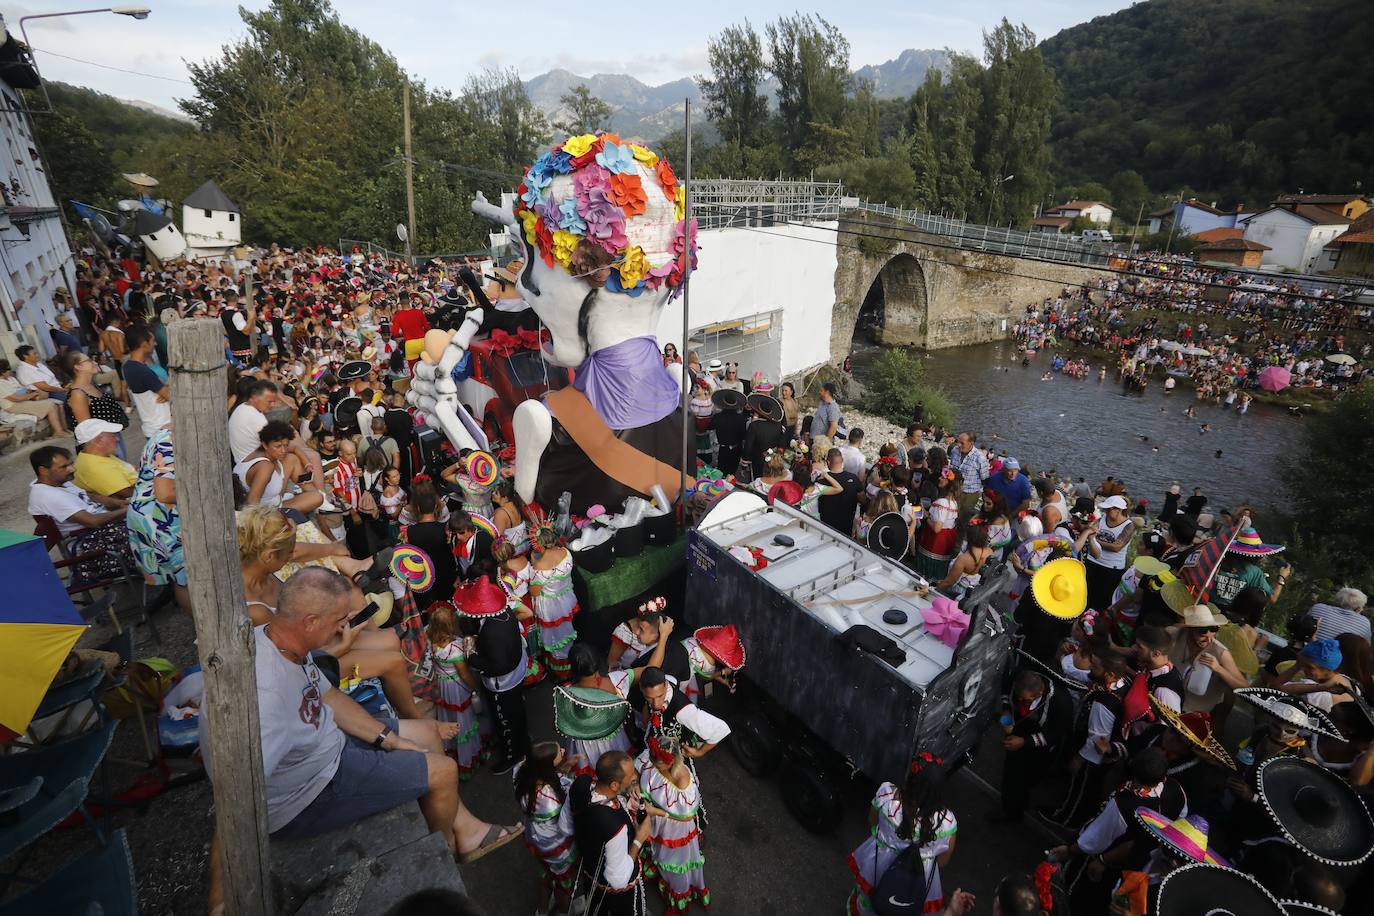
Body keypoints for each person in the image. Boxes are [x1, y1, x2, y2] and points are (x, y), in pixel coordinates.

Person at [202, 568, 521, 916]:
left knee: (426, 732)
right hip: (314, 789)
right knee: (443, 772)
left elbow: (330, 700)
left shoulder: (279, 639)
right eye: (339, 620)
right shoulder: (265, 700)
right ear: (310, 620)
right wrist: (220, 898)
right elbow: (233, 798)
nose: (344, 629)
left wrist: (389, 740)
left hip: (327, 743)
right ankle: (439, 850)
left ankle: (467, 829)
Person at [236, 505, 423, 719]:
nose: (291, 556)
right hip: (302, 669)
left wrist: (334, 623)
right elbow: (288, 669)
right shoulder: (254, 610)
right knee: (393, 661)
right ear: (269, 556)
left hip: (309, 645)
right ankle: (415, 721)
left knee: (391, 641)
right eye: (288, 552)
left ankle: (403, 705)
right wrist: (343, 645)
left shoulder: (263, 574)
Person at [845, 753, 957, 915]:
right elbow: (942, 861)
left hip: (879, 865)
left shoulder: (888, 797)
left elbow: (872, 821)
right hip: (918, 876)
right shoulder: (947, 822)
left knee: (871, 902)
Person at [459, 569, 531, 774]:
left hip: (503, 683)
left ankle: (513, 755)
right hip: (515, 675)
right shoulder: (503, 612)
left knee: (505, 720)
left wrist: (472, 656)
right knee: (517, 712)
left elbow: (498, 666)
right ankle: (522, 741)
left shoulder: (492, 632)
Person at [569, 750, 656, 916]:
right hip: (615, 890)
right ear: (614, 785)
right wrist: (639, 839)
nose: (635, 778)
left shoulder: (580, 783)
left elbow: (566, 826)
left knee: (596, 908)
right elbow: (618, 879)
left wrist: (625, 801)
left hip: (591, 871)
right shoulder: (616, 827)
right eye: (631, 776)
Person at [126, 426, 192, 613]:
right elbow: (165, 493)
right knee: (186, 578)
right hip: (159, 518)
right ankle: (205, 632)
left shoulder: (169, 432)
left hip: (159, 515)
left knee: (185, 577)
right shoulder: (168, 441)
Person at [640, 732, 710, 911]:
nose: (653, 765)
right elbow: (638, 771)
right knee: (657, 851)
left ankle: (680, 901)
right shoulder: (653, 760)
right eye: (653, 759)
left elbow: (686, 816)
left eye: (658, 763)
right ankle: (657, 868)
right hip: (657, 821)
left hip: (675, 830)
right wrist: (634, 787)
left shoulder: (682, 780)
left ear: (671, 761)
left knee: (675, 864)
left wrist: (658, 812)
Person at [995, 666, 1073, 824]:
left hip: (1040, 748)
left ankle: (1012, 815)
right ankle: (1012, 807)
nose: (1022, 702)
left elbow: (1054, 734)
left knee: (1022, 780)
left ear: (1039, 693)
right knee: (1011, 775)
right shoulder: (1018, 676)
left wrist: (1024, 742)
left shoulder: (1061, 702)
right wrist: (1005, 710)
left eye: (1026, 700)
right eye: (1020, 698)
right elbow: (1005, 692)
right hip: (1019, 733)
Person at [514, 741, 580, 916]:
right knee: (565, 885)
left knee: (545, 872)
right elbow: (567, 827)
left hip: (535, 838)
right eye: (560, 752)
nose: (564, 750)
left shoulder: (520, 771)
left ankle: (541, 911)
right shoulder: (550, 798)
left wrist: (564, 766)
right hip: (557, 847)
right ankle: (564, 912)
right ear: (548, 766)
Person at [635, 666, 730, 759]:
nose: (656, 704)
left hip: (672, 759)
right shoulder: (661, 681)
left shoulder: (683, 711)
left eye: (660, 696)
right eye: (649, 698)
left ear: (666, 685)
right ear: (641, 688)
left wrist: (699, 752)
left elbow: (719, 729)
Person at [1171, 604, 1248, 713]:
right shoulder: (1176, 634)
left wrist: (1219, 669)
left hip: (1194, 712)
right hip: (1168, 700)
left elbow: (1244, 687)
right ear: (1191, 629)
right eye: (1202, 632)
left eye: (1213, 629)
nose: (1209, 639)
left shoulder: (1220, 652)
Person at [235, 420, 325, 513]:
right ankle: (320, 500)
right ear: (265, 445)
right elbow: (252, 503)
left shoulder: (261, 451)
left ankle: (319, 497)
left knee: (291, 458)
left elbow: (294, 448)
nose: (283, 450)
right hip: (267, 511)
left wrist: (307, 464)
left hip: (274, 499)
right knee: (317, 498)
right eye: (278, 446)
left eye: (285, 445)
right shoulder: (265, 466)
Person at [531, 524, 580, 681]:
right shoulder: (565, 552)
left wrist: (532, 567)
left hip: (551, 606)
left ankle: (562, 672)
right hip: (566, 599)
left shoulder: (540, 565)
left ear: (538, 544)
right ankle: (569, 664)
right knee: (566, 632)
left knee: (555, 638)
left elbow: (535, 591)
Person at [401, 480, 459, 613]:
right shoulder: (445, 529)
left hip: (422, 576)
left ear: (419, 509)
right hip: (443, 573)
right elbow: (450, 554)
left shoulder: (409, 531)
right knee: (445, 606)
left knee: (425, 607)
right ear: (435, 508)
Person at [61, 351, 129, 457]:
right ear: (78, 367)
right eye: (89, 361)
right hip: (102, 444)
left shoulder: (91, 386)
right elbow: (87, 430)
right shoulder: (78, 394)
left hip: (112, 436)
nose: (94, 362)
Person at [1083, 495, 1134, 611]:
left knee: (1103, 600)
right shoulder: (1103, 518)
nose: (1106, 511)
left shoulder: (1128, 526)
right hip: (1092, 561)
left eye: (1109, 509)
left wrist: (1094, 539)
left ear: (1118, 510)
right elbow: (1090, 529)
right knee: (1085, 594)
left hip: (1112, 567)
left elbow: (1117, 547)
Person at [124, 325, 172, 438]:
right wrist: (167, 391)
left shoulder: (129, 366)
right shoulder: (141, 370)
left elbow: (163, 389)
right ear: (144, 344)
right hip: (162, 428)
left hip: (153, 427)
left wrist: (165, 389)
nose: (155, 344)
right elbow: (170, 395)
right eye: (152, 341)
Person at [0, 358, 67, 436]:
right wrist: (32, 395)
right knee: (51, 405)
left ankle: (64, 429)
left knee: (58, 402)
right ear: (2, 371)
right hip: (13, 406)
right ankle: (59, 432)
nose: (10, 371)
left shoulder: (11, 379)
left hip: (23, 400)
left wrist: (31, 391)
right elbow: (15, 398)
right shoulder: (1, 384)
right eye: (8, 369)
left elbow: (23, 389)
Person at [915, 469, 962, 581]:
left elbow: (937, 528)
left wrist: (926, 517)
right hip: (946, 542)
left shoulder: (941, 503)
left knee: (926, 573)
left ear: (949, 482)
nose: (939, 479)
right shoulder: (954, 502)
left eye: (943, 477)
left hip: (934, 542)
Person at [73, 419, 135, 499]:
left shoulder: (99, 455)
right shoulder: (95, 466)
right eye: (113, 435)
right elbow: (125, 493)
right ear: (99, 441)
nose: (117, 439)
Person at [815, 448, 861, 537]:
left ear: (828, 462)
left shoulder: (821, 481)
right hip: (846, 525)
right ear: (842, 460)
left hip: (827, 525)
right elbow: (862, 498)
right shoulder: (853, 478)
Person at [1307, 587, 1371, 643]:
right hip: (1338, 656)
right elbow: (1365, 646)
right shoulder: (1365, 623)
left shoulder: (1318, 607)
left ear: (1337, 599)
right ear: (1358, 608)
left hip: (1306, 653)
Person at [950, 433, 989, 524]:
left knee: (962, 518)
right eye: (958, 442)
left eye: (962, 443)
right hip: (954, 489)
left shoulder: (979, 457)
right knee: (950, 515)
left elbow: (985, 477)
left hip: (969, 493)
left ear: (971, 443)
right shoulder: (955, 450)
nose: (958, 445)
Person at [492, 480, 530, 557]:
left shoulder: (500, 513)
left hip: (511, 551)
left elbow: (498, 539)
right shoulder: (517, 504)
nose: (492, 494)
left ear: (505, 498)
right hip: (524, 545)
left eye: (496, 493)